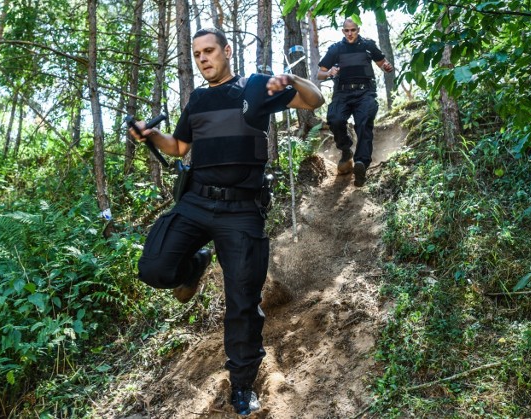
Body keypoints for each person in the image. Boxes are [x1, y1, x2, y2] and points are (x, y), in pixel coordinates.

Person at [129, 28, 324, 415]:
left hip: (242, 211)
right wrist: (152, 135)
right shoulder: (197, 99)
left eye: (209, 51)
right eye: (197, 53)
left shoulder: (255, 87)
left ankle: (241, 385)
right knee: (154, 267)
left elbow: (314, 100)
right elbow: (180, 147)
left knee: (242, 303)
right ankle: (196, 264)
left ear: (227, 51)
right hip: (197, 201)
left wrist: (292, 79)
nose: (202, 59)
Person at [317, 18, 394, 186]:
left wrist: (386, 67)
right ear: (343, 31)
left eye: (353, 30)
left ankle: (361, 164)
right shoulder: (336, 49)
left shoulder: (368, 45)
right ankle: (346, 151)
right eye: (347, 30)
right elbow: (319, 74)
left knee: (364, 122)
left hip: (365, 92)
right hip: (342, 93)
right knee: (335, 119)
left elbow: (382, 63)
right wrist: (330, 72)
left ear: (358, 29)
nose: (350, 33)